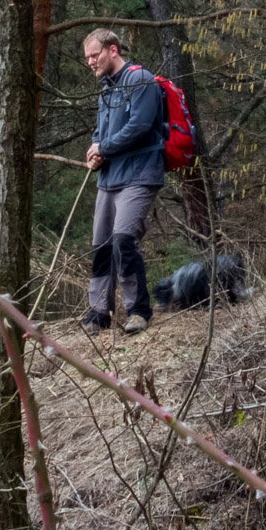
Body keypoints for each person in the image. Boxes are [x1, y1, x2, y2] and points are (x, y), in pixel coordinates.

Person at [81, 28, 167, 334]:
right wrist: (95, 150)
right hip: (109, 178)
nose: (90, 62)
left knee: (123, 240)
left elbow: (141, 126)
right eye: (87, 57)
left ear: (113, 50)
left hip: (140, 174)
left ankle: (138, 311)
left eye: (95, 55)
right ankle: (99, 312)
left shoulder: (140, 79)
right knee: (101, 246)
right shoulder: (107, 89)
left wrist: (105, 147)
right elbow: (101, 133)